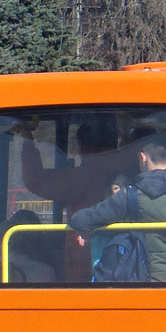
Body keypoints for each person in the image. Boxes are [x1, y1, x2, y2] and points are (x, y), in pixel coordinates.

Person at [69, 135, 166, 283]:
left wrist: (84, 229)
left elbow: (81, 219)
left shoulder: (129, 196)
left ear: (142, 157)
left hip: (146, 286)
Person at [14, 116, 136, 282]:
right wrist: (128, 132)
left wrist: (27, 138)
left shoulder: (82, 177)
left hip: (85, 259)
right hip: (131, 253)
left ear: (82, 146)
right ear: (113, 142)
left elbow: (34, 179)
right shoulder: (132, 166)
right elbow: (129, 153)